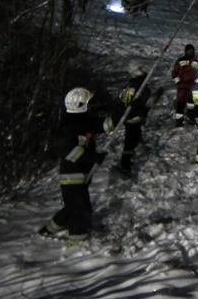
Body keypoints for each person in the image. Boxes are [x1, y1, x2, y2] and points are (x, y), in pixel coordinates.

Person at [40, 88, 116, 242]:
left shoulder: (85, 121)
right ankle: (76, 240)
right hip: (71, 175)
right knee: (80, 209)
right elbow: (70, 152)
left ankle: (49, 229)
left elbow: (107, 124)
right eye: (88, 103)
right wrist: (94, 157)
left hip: (82, 174)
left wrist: (123, 106)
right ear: (79, 105)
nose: (91, 106)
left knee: (74, 206)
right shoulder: (68, 126)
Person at [117, 62, 158, 175]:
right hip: (134, 117)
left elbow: (121, 100)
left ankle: (130, 155)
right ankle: (125, 164)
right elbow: (149, 103)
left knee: (134, 136)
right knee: (130, 141)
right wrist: (157, 94)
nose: (144, 71)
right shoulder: (140, 87)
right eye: (141, 69)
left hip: (129, 117)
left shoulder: (129, 85)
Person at [171, 43, 198, 127]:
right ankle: (179, 121)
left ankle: (190, 118)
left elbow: (197, 73)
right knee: (180, 103)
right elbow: (174, 73)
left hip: (192, 86)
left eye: (192, 51)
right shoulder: (180, 60)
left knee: (191, 104)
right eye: (189, 50)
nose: (191, 52)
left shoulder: (195, 61)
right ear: (186, 51)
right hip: (182, 86)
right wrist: (178, 82)